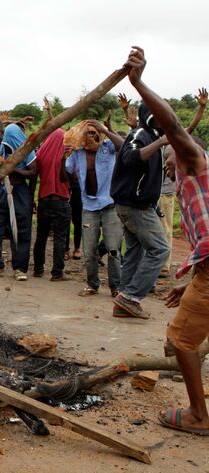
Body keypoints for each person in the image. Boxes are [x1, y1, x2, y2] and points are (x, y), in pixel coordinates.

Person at [123, 47, 209, 435]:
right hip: (204, 271)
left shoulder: (194, 162)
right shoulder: (196, 175)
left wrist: (139, 83)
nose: (167, 166)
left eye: (168, 159)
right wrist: (189, 279)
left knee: (181, 341)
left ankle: (198, 416)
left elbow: (173, 126)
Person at [110, 94, 171, 319]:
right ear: (152, 117)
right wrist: (159, 143)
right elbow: (130, 158)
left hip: (134, 204)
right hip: (134, 205)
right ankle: (131, 297)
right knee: (160, 249)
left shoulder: (153, 135)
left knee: (135, 252)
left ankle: (123, 302)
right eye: (162, 117)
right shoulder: (141, 135)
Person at [65, 120, 125, 297]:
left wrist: (106, 128)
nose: (91, 136)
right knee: (89, 250)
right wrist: (63, 157)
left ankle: (116, 287)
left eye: (94, 133)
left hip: (110, 206)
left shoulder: (109, 147)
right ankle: (92, 284)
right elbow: (66, 173)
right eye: (88, 133)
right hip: (89, 207)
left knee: (113, 249)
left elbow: (123, 145)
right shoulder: (77, 153)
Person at [159, 87, 207, 276]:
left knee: (166, 229)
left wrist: (201, 109)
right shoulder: (158, 139)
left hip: (166, 192)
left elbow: (187, 130)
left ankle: (164, 265)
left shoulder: (176, 142)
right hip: (158, 192)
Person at [0, 123, 37, 280]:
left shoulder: (26, 151)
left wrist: (12, 169)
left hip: (19, 191)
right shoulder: (3, 149)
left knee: (21, 230)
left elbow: (33, 172)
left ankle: (20, 268)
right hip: (1, 190)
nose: (6, 138)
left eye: (9, 136)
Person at [32, 128, 71, 280]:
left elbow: (35, 174)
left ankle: (38, 269)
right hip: (60, 200)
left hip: (44, 199)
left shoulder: (41, 154)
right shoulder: (66, 154)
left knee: (41, 237)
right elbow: (68, 178)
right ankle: (57, 272)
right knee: (60, 238)